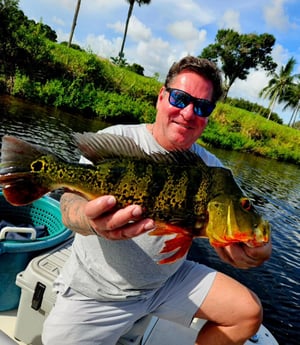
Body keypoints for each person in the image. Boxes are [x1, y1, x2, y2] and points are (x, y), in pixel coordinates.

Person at [42, 56, 272, 345]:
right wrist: (88, 219)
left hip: (166, 283)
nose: (188, 113)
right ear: (161, 97)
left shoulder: (213, 170)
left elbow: (238, 215)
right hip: (99, 291)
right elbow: (70, 202)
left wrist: (258, 248)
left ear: (208, 115)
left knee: (248, 313)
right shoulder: (118, 139)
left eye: (202, 106)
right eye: (180, 98)